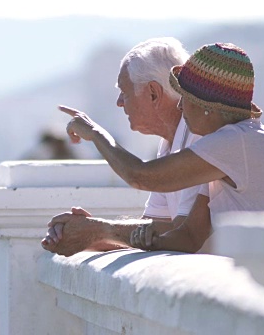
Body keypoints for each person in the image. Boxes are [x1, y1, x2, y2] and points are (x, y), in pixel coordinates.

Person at [44, 42, 264, 254]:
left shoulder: (233, 141)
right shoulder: (220, 146)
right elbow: (186, 235)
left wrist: (96, 135)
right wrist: (93, 234)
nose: (180, 106)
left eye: (185, 97)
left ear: (206, 106)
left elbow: (141, 176)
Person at [41, 37, 203, 256]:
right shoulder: (169, 142)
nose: (119, 102)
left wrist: (96, 135)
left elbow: (180, 232)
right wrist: (88, 235)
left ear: (153, 93)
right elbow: (151, 231)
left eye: (125, 92)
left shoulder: (199, 135)